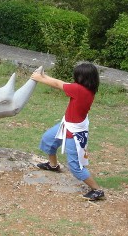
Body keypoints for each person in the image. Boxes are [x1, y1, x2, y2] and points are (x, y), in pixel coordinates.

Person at [31, 62, 105, 201]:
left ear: (82, 78)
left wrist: (39, 79)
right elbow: (62, 83)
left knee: (75, 167)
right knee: (48, 139)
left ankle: (97, 190)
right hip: (66, 125)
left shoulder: (80, 90)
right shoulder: (86, 88)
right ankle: (53, 165)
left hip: (74, 133)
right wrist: (44, 76)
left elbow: (58, 85)